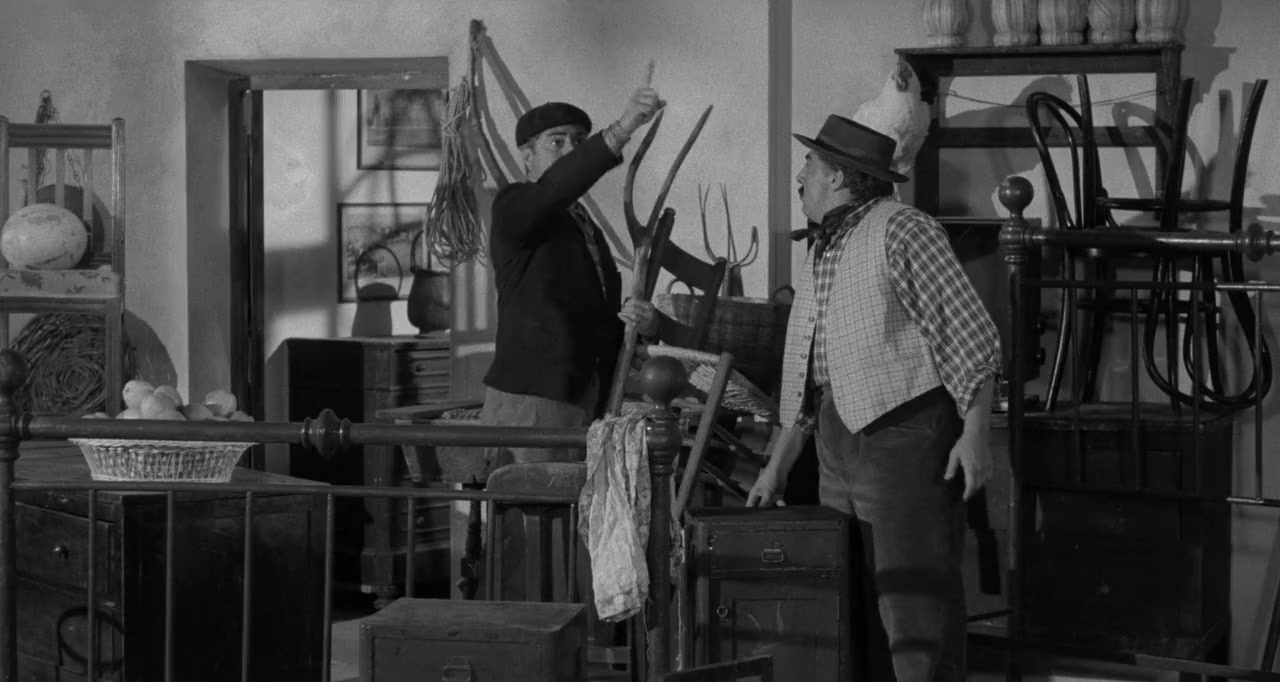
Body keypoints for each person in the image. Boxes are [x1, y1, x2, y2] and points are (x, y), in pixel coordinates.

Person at [746, 114, 1000, 682]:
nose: (801, 176)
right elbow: (811, 370)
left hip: (903, 433)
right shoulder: (825, 244)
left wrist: (976, 433)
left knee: (914, 599)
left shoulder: (904, 228)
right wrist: (777, 468)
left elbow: (971, 337)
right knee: (855, 599)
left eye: (810, 164)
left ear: (837, 176)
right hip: (836, 439)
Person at [480, 86, 664, 469]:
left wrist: (643, 326)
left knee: (576, 504)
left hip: (587, 397)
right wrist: (621, 130)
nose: (570, 150)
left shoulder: (583, 226)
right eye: (556, 142)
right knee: (527, 504)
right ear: (527, 156)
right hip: (535, 398)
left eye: (579, 142)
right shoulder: (513, 207)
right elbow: (554, 189)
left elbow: (595, 319)